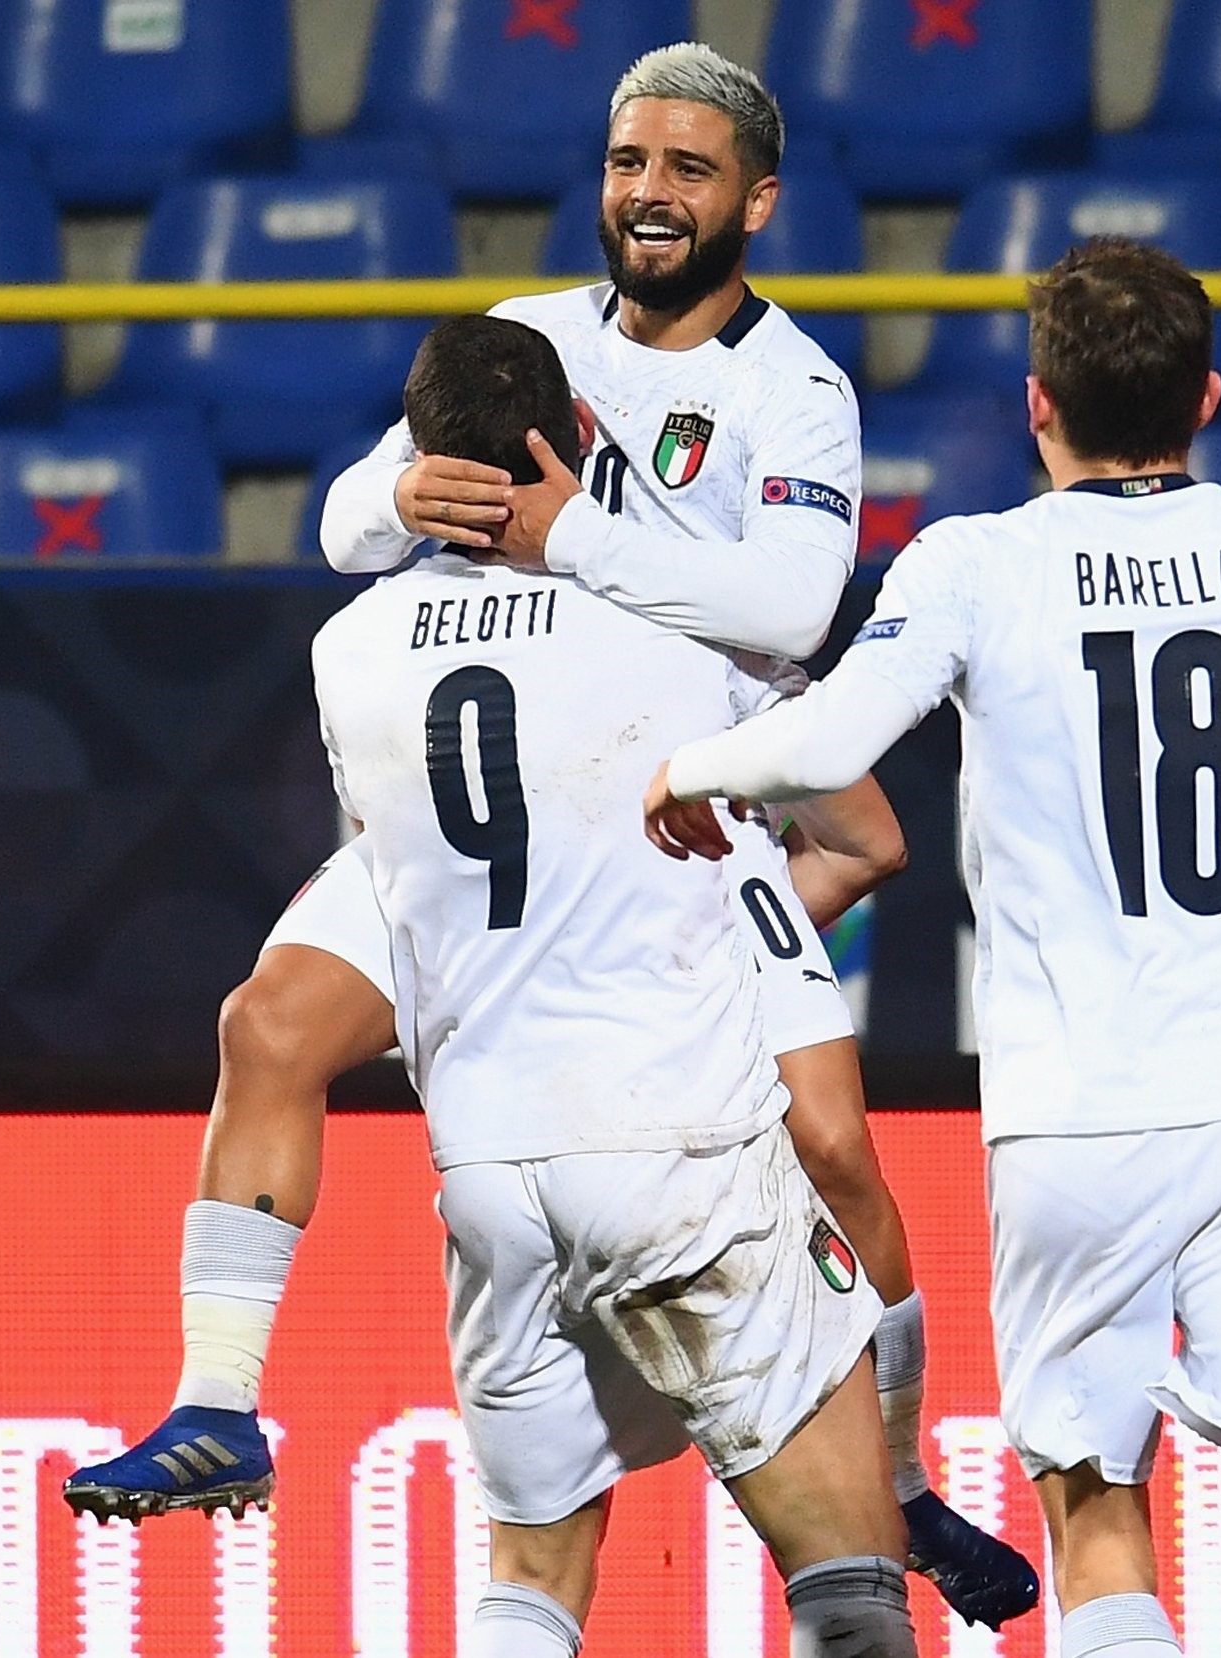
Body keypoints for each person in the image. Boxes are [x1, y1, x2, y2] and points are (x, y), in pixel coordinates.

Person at [70, 40, 1039, 1628]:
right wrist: (422, 504)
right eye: (628, 164)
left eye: (686, 171)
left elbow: (798, 607)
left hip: (688, 793)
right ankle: (217, 1399)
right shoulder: (520, 340)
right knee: (266, 1023)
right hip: (503, 765)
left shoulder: (788, 386)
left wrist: (565, 533)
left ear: (756, 200)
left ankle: (905, 1470)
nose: (648, 195)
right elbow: (338, 523)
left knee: (835, 1147)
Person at [642, 238, 1221, 1658]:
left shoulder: (976, 564)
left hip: (1068, 1122)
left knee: (1097, 1510)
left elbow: (829, 740)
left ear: (1038, 406)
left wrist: (685, 768)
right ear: (1205, 397)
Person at [380, 314, 926, 1654]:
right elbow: (865, 829)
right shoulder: (682, 642)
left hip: (489, 1172)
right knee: (850, 1572)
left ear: (419, 463)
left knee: (530, 1569)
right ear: (573, 443)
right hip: (665, 1145)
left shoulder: (351, 656)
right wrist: (734, 923)